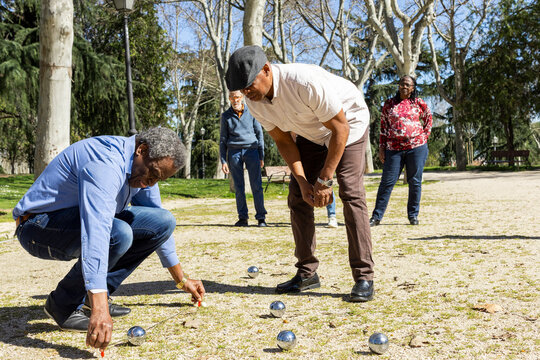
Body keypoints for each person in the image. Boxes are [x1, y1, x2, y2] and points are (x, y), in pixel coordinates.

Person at [13, 127, 205, 352]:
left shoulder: (142, 168)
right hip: (37, 227)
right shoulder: (105, 163)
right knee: (119, 233)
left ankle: (89, 298)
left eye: (158, 180)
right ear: (141, 150)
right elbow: (97, 232)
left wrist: (182, 280)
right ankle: (62, 304)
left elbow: (159, 225)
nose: (150, 184)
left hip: (76, 223)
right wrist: (101, 310)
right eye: (152, 174)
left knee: (164, 221)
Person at [226, 45, 374, 302]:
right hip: (311, 132)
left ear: (266, 69)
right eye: (241, 88)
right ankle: (307, 273)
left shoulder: (304, 82)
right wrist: (304, 181)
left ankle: (364, 276)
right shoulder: (256, 102)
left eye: (249, 85)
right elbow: (284, 141)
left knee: (350, 193)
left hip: (348, 123)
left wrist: (325, 179)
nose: (246, 92)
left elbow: (340, 129)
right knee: (297, 196)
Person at [370, 75, 433, 226]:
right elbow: (384, 127)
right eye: (401, 84)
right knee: (387, 182)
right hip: (394, 149)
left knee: (415, 182)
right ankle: (376, 217)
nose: (404, 87)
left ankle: (413, 216)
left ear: (412, 88)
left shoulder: (418, 103)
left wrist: (424, 136)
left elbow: (428, 118)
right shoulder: (389, 104)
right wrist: (382, 148)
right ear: (398, 86)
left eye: (407, 85)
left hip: (416, 148)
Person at [220, 90, 267, 227]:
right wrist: (223, 160)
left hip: (252, 150)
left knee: (256, 185)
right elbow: (223, 139)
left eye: (238, 97)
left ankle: (261, 218)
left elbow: (259, 134)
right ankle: (243, 218)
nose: (235, 100)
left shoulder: (252, 112)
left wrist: (261, 155)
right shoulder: (226, 116)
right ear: (229, 99)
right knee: (239, 187)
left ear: (242, 98)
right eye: (233, 98)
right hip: (234, 152)